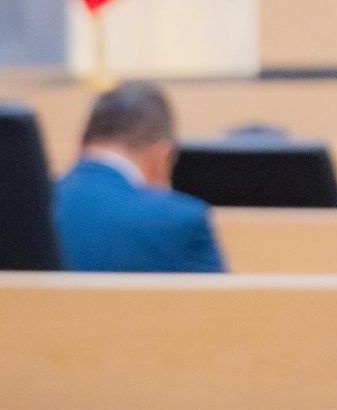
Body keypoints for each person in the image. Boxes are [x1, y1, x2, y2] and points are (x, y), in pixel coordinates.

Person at [52, 81, 225, 274]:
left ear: (79, 145)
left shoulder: (30, 207)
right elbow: (219, 295)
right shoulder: (181, 220)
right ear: (161, 156)